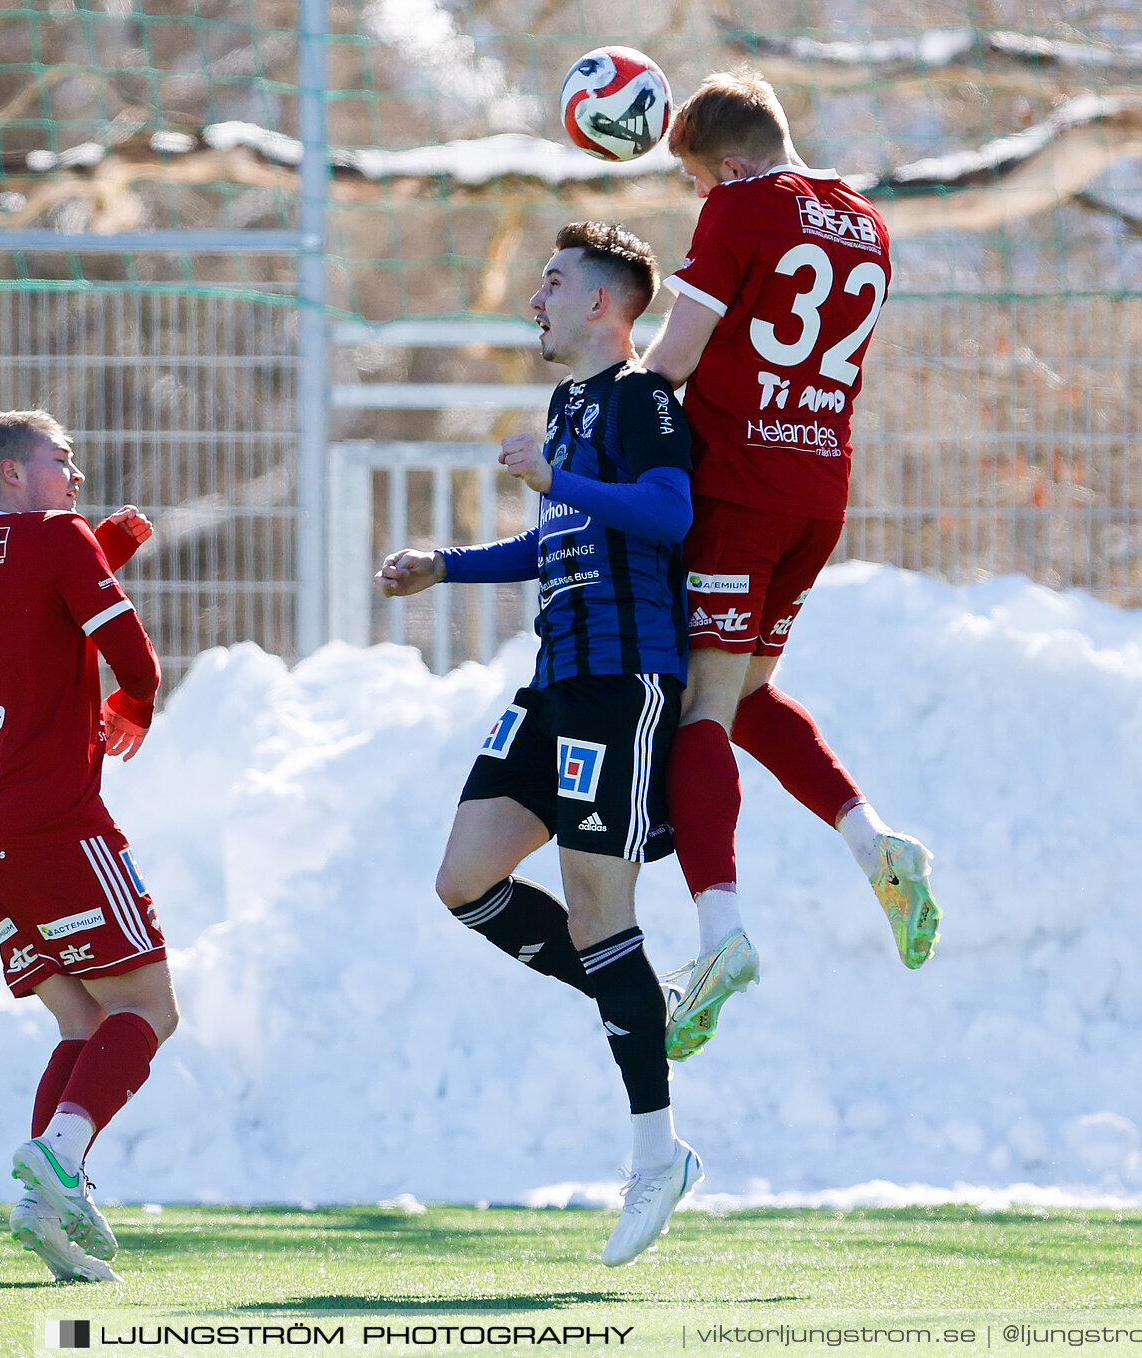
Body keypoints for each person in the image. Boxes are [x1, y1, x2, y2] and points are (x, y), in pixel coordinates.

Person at [377, 221, 700, 1267]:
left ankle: (657, 1151)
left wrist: (557, 481)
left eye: (553, 283)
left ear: (604, 305)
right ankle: (640, 999)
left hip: (621, 679)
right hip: (553, 678)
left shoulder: (644, 396)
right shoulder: (565, 406)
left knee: (604, 907)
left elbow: (666, 511)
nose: (536, 300)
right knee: (463, 878)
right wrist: (447, 564)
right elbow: (554, 538)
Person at [638, 67, 940, 1060]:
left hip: (739, 488)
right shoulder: (866, 223)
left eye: (695, 183)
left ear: (725, 163)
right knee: (752, 688)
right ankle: (874, 841)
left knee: (702, 712)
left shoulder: (742, 206)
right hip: (818, 488)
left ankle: (720, 935)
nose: (699, 202)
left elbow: (674, 359)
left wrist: (608, 413)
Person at [0, 409, 177, 1283]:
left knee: (81, 1015)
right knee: (149, 1008)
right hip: (53, 823)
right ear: (11, 475)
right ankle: (60, 1160)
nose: (75, 471)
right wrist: (135, 704)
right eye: (59, 459)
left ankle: (42, 1201)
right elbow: (127, 651)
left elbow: (24, 599)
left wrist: (100, 545)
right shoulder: (60, 537)